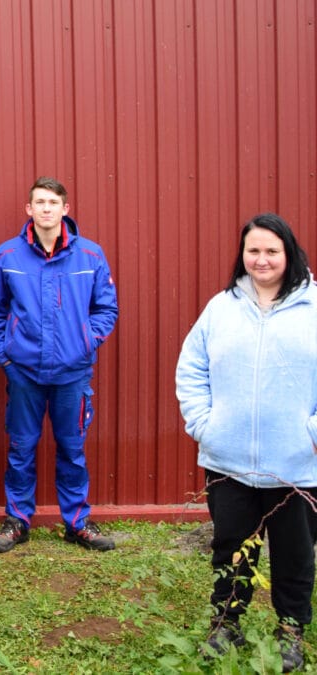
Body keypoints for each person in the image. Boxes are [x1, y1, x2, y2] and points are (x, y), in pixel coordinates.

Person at [175, 213, 316, 671]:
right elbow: (192, 368)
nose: (261, 259)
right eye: (253, 250)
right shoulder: (221, 308)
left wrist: (311, 434)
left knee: (295, 553)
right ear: (243, 255)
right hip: (229, 459)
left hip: (296, 464)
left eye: (272, 251)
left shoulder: (313, 308)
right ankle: (226, 621)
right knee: (232, 545)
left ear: (289, 253)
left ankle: (291, 628)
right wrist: (204, 423)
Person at [0, 177, 118, 553]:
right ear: (29, 209)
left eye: (53, 202)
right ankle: (17, 521)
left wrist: (86, 341)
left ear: (65, 209)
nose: (46, 208)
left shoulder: (90, 256)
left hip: (72, 374)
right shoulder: (8, 255)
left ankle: (77, 523)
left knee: (72, 449)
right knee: (21, 448)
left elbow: (106, 308)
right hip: (23, 371)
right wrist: (5, 355)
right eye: (39, 202)